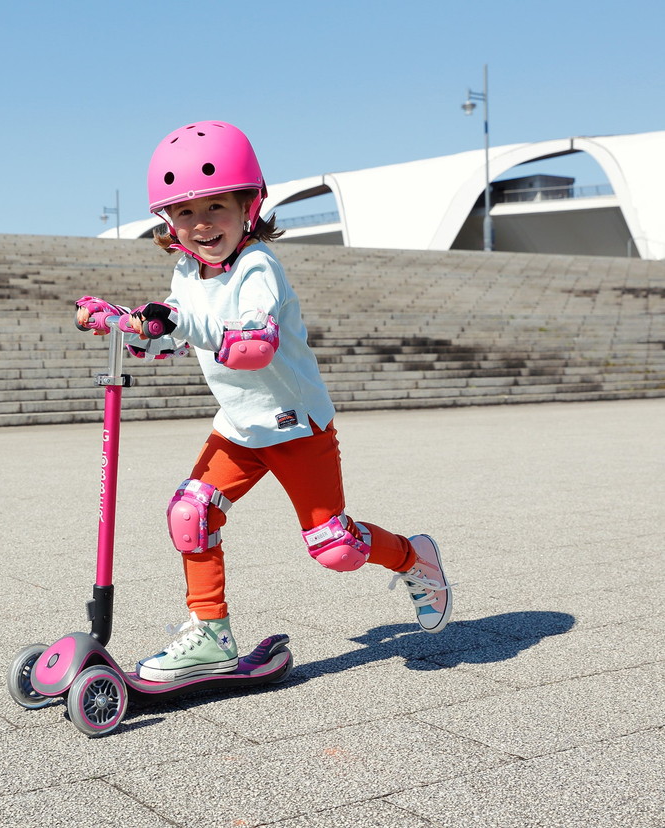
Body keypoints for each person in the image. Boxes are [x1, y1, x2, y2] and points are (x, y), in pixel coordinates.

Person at [75, 120, 453, 683]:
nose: (201, 225)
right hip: (240, 429)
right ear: (168, 222)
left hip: (296, 427)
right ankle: (210, 636)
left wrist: (174, 320)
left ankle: (414, 556)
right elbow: (181, 334)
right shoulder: (185, 271)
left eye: (217, 207)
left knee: (335, 548)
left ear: (250, 205)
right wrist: (130, 326)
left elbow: (249, 337)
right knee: (191, 514)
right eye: (184, 213)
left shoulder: (257, 267)